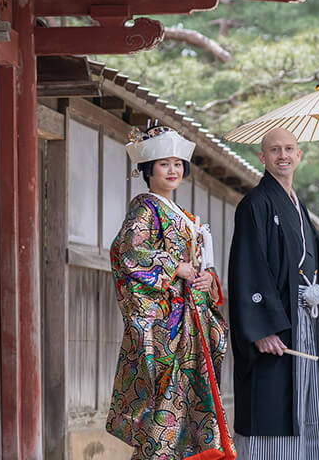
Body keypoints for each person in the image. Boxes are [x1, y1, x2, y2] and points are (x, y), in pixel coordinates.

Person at [227, 127, 319, 460]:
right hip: (275, 326)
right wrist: (262, 329)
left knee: (301, 402)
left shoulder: (296, 205)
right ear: (262, 157)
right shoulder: (254, 204)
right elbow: (247, 266)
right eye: (275, 150)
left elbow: (309, 253)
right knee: (272, 405)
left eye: (289, 149)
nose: (283, 155)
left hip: (302, 320)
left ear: (299, 155)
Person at [107, 125, 236, 460]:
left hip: (190, 320)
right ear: (148, 170)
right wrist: (175, 268)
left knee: (187, 398)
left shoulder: (180, 213)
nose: (173, 169)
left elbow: (196, 267)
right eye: (164, 164)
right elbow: (128, 250)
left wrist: (206, 280)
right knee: (167, 398)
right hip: (167, 324)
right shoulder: (146, 207)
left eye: (177, 163)